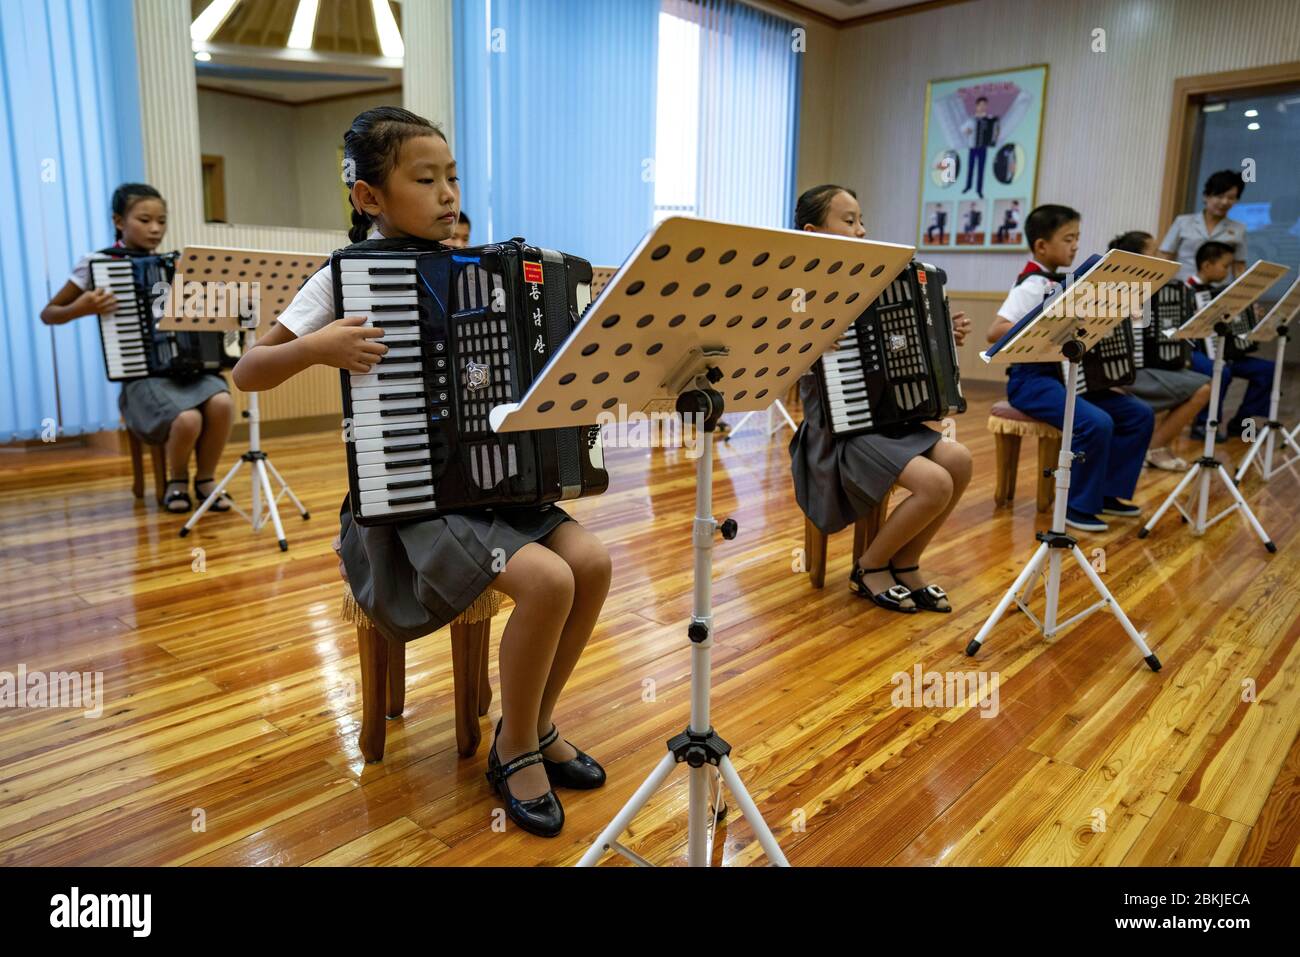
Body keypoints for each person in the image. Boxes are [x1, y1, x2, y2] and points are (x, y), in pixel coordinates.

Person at [233, 107, 610, 839]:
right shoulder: (344, 280)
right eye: (426, 179)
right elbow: (249, 370)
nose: (448, 194)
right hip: (413, 507)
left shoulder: (482, 269)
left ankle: (535, 720)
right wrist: (318, 348)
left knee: (591, 562)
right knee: (548, 580)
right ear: (369, 198)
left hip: (497, 489)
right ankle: (513, 749)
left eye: (453, 177)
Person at [791, 185, 974, 614]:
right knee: (936, 483)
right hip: (839, 433)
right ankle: (869, 566)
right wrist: (810, 341)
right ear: (814, 231)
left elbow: (899, 345)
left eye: (861, 220)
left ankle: (906, 562)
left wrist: (946, 337)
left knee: (960, 461)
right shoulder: (798, 293)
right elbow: (775, 360)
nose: (862, 230)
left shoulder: (872, 283)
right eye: (849, 221)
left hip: (886, 421)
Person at [40, 183, 234, 514]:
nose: (155, 228)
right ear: (119, 220)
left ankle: (205, 480)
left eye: (161, 220)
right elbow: (49, 314)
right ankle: (176, 481)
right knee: (187, 420)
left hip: (186, 371)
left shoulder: (176, 265)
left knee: (223, 402)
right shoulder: (97, 263)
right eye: (144, 220)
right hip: (140, 378)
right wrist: (81, 307)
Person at [986, 204, 1154, 533]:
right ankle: (1077, 506)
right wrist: (1044, 330)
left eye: (1077, 238)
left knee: (1138, 415)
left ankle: (1108, 493)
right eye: (1068, 238)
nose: (1075, 245)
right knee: (1096, 422)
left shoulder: (1065, 283)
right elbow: (994, 331)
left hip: (1069, 380)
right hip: (1032, 382)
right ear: (1041, 246)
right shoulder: (1033, 285)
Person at [1106, 230, 1211, 471]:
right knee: (1203, 388)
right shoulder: (1118, 290)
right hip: (1126, 372)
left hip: (1145, 369)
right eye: (1154, 252)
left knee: (1200, 380)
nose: (1162, 256)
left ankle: (1155, 447)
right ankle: (1155, 447)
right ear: (1138, 258)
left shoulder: (1160, 289)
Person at [1186, 240, 1274, 441]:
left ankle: (1242, 424)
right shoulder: (1185, 290)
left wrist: (1251, 318)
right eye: (1225, 266)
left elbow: (1233, 327)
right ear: (1207, 265)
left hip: (1227, 354)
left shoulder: (1225, 294)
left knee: (1267, 370)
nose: (1228, 271)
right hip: (1196, 353)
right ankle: (1203, 424)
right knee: (1221, 372)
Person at [1159, 169, 1249, 281]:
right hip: (1182, 287)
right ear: (1206, 196)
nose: (1225, 202)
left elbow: (1239, 265)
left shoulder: (1239, 229)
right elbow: (1165, 257)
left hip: (1217, 291)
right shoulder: (1182, 222)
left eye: (1231, 198)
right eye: (1220, 196)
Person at [961, 96, 999, 200]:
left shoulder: (990, 119)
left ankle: (979, 190)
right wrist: (967, 131)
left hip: (983, 147)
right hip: (973, 147)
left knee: (981, 169)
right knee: (971, 168)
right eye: (980, 105)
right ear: (976, 106)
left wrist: (995, 136)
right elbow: (963, 129)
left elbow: (995, 130)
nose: (982, 107)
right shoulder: (971, 119)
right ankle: (968, 186)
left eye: (984, 105)